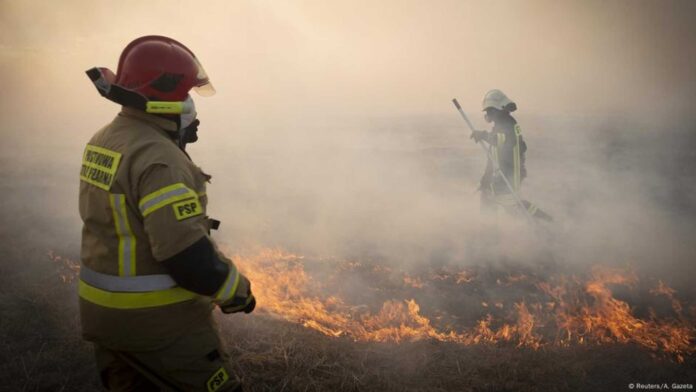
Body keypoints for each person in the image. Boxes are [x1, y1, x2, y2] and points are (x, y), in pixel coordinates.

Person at [79, 35, 254, 391]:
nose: (191, 105)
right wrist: (236, 290)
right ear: (161, 97)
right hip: (158, 325)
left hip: (104, 316)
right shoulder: (159, 159)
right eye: (186, 94)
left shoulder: (105, 139)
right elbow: (184, 254)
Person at [471, 89, 551, 221]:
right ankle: (488, 231)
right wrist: (486, 178)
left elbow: (500, 140)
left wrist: (483, 135)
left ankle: (545, 221)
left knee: (512, 205)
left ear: (498, 109)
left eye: (490, 111)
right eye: (487, 111)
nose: (488, 114)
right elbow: (493, 155)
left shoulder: (508, 124)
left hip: (510, 173)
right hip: (505, 173)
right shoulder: (501, 124)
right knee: (492, 197)